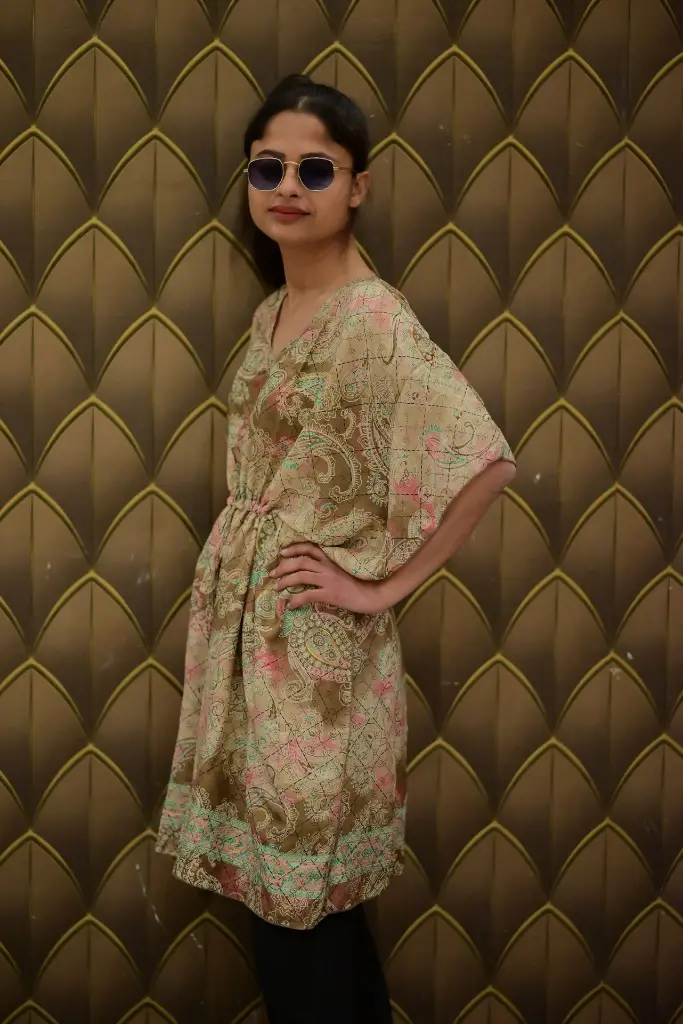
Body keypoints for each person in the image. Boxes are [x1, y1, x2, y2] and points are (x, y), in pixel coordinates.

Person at [156, 74, 516, 1023]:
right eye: (266, 167)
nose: (287, 185)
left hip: (312, 656)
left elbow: (482, 463)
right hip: (250, 635)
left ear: (357, 186)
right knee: (305, 908)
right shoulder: (274, 309)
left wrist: (379, 588)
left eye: (314, 168)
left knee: (296, 910)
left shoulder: (372, 320)